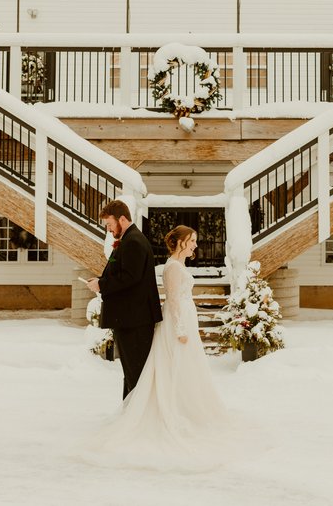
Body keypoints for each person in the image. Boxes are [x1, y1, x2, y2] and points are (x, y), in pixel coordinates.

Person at [81, 225, 229, 469]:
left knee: (187, 368)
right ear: (180, 242)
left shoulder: (180, 265)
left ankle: (187, 407)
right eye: (192, 240)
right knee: (174, 365)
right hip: (175, 324)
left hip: (185, 321)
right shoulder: (172, 266)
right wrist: (180, 330)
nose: (195, 245)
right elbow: (172, 300)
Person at [85, 199, 162, 400]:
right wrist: (101, 280)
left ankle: (138, 416)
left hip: (134, 320)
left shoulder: (134, 241)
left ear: (121, 219)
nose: (109, 230)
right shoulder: (128, 239)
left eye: (110, 224)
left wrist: (102, 285)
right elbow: (123, 272)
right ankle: (131, 412)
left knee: (135, 371)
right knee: (131, 371)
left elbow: (130, 277)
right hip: (131, 318)